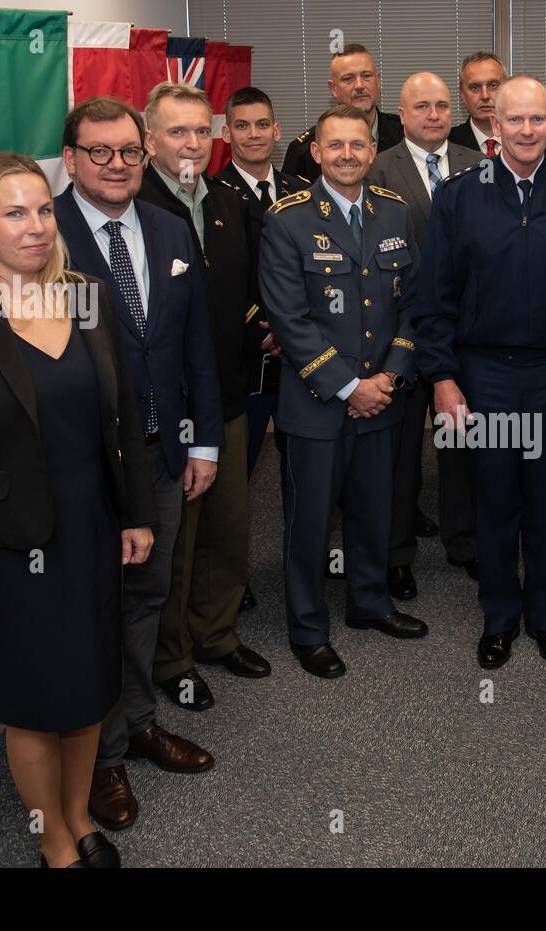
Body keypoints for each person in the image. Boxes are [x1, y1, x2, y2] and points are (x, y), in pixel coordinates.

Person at [0, 151, 157, 868]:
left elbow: (121, 424)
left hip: (90, 529)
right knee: (31, 700)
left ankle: (78, 815)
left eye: (43, 210)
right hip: (9, 548)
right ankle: (52, 838)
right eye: (14, 212)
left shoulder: (88, 296)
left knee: (88, 688)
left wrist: (137, 514)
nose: (35, 226)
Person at [416, 75, 546, 670]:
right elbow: (435, 299)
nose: (526, 131)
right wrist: (443, 377)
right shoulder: (459, 197)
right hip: (485, 379)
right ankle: (500, 616)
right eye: (515, 120)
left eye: (537, 120)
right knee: (497, 500)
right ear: (494, 126)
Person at [54, 95, 221, 831]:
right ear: (70, 158)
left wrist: (204, 440)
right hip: (86, 467)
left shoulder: (166, 223)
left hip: (161, 453)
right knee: (95, 609)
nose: (117, 165)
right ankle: (103, 754)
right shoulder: (42, 237)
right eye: (100, 152)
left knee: (149, 596)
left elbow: (193, 345)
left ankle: (140, 719)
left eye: (128, 152)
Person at [260, 104, 428, 680]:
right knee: (308, 524)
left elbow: (413, 306)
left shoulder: (395, 214)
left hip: (383, 396)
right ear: (316, 152)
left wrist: (389, 376)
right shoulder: (288, 220)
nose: (348, 155)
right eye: (337, 146)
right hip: (315, 405)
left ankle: (370, 602)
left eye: (358, 144)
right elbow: (289, 319)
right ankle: (308, 629)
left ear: (372, 149)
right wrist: (349, 386)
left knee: (373, 512)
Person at [137, 82, 272, 706]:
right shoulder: (134, 208)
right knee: (175, 543)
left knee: (229, 527)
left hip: (227, 396)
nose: (192, 143)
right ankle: (173, 659)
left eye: (200, 131)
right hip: (170, 408)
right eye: (176, 132)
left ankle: (217, 634)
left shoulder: (225, 200)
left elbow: (247, 286)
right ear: (149, 141)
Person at [369, 72, 483, 600]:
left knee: (462, 444)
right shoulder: (376, 167)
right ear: (402, 112)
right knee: (400, 451)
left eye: (441, 105)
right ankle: (396, 555)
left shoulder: (478, 164)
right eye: (422, 106)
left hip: (468, 331)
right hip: (402, 332)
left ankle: (465, 541)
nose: (434, 115)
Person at [215, 85, 311, 553]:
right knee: (237, 476)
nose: (253, 135)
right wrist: (268, 330)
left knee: (304, 471)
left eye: (261, 125)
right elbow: (219, 281)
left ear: (277, 130)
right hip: (247, 357)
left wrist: (296, 330)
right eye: (241, 125)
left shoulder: (302, 192)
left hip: (302, 360)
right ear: (227, 132)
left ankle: (307, 559)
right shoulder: (211, 196)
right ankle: (233, 572)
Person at [282, 43, 403, 184]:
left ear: (378, 80)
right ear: (333, 88)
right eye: (348, 79)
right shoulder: (304, 151)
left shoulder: (403, 134)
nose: (359, 86)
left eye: (366, 76)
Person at [448, 52, 507, 155]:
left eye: (493, 85)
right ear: (462, 95)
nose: (485, 96)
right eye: (475, 87)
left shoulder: (527, 138)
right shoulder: (447, 143)